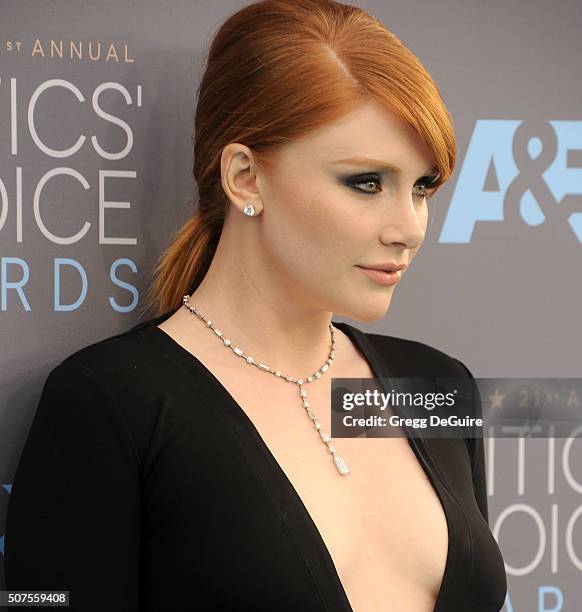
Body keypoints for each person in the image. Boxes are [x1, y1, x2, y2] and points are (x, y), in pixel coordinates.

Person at [4, 0, 508, 610]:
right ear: (244, 177)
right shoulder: (112, 403)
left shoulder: (435, 386)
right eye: (366, 182)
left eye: (422, 187)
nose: (410, 226)